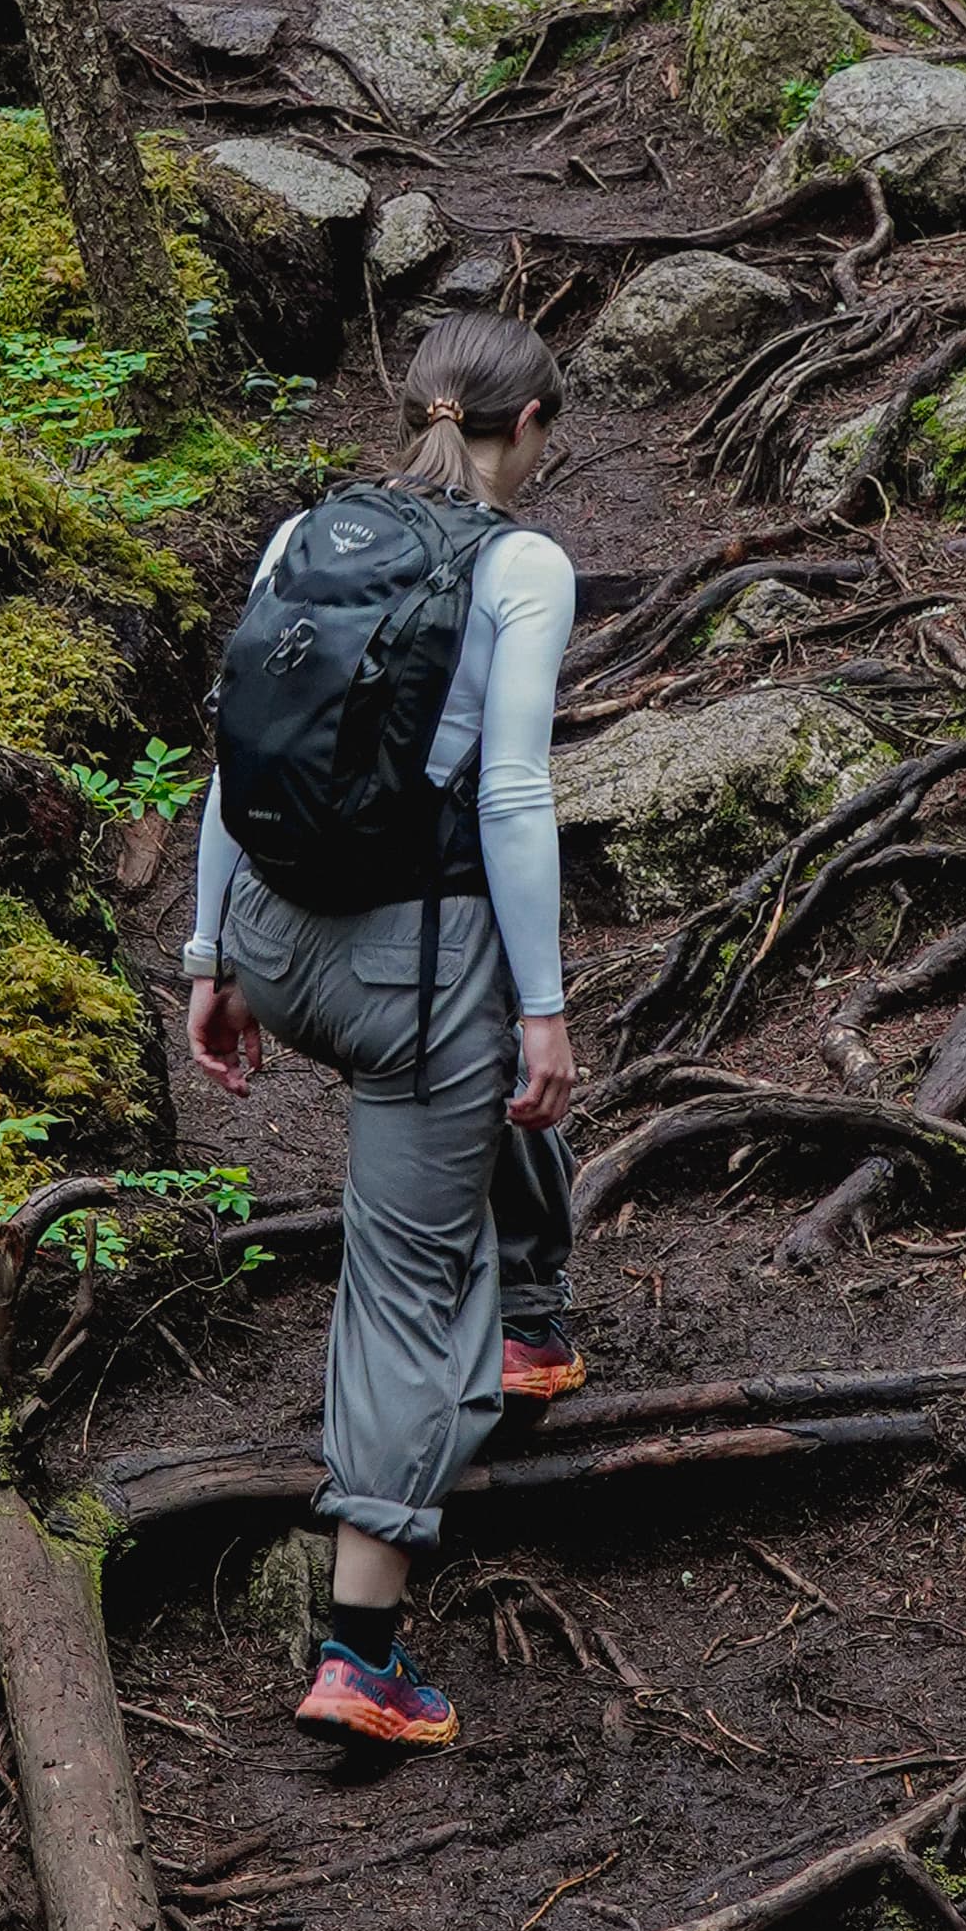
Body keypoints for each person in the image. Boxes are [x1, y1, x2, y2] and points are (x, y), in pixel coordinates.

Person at [183, 309, 581, 1752]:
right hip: (412, 978)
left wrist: (209, 954)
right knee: (406, 1281)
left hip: (278, 944)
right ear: (527, 426)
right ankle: (361, 1652)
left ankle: (528, 1321)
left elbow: (235, 754)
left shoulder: (303, 535)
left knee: (491, 1077)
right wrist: (546, 1003)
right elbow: (511, 795)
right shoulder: (523, 566)